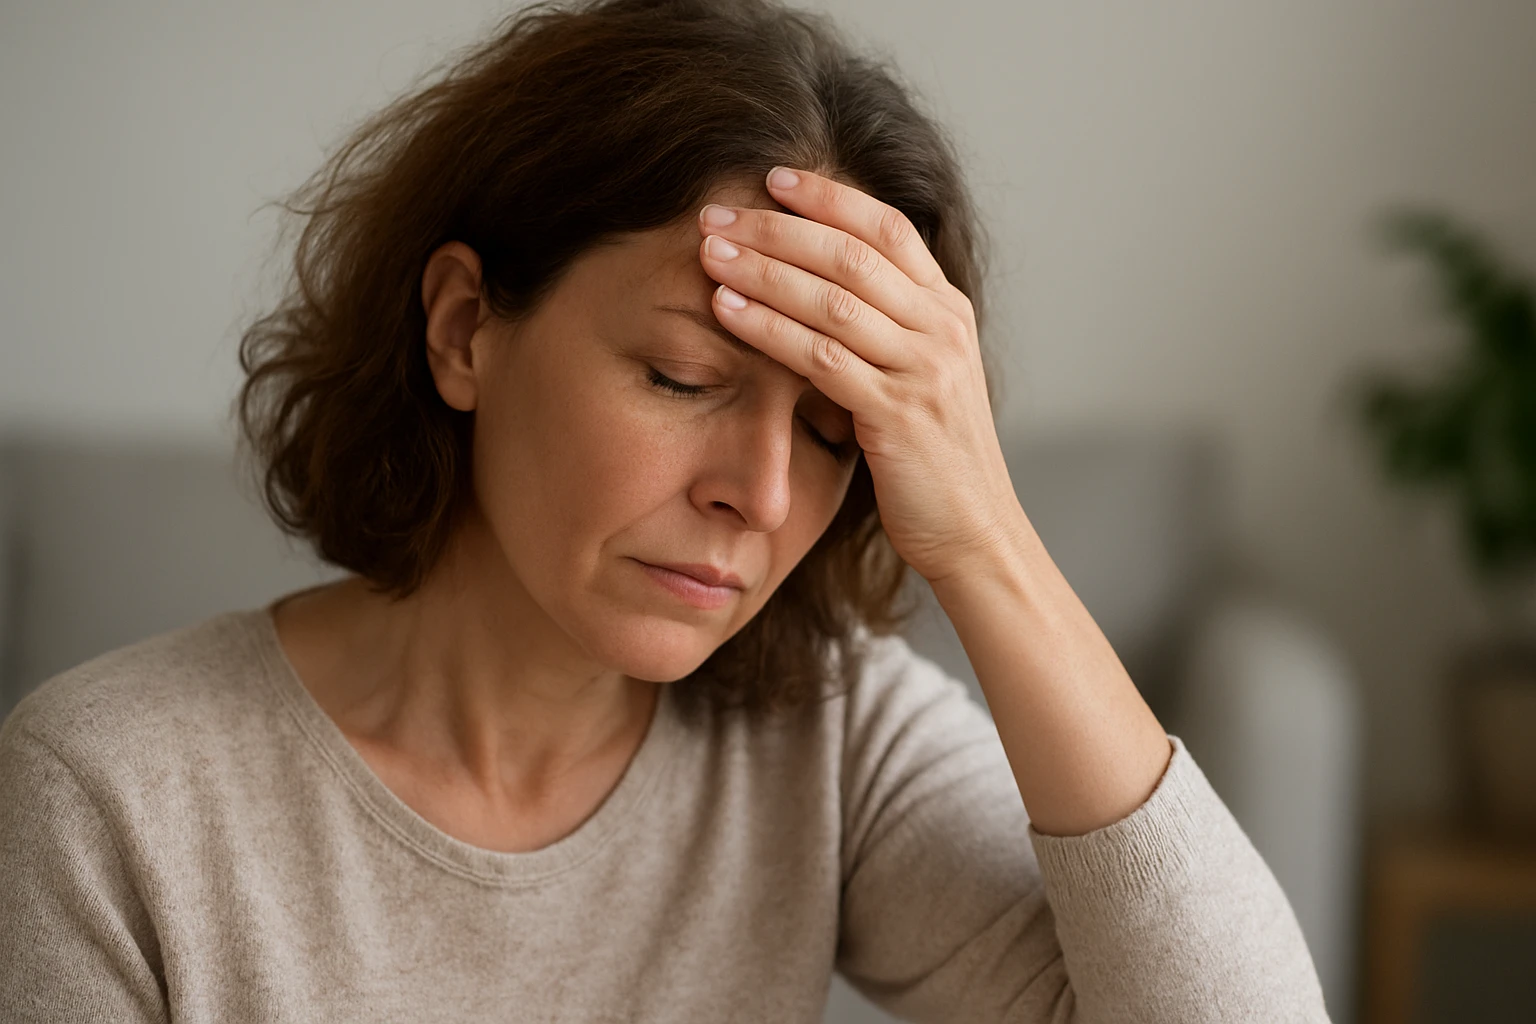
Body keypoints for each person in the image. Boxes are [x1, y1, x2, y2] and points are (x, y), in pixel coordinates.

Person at [0, 0, 1332, 1020]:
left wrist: (981, 528)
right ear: (466, 329)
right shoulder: (110, 799)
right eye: (685, 376)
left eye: (832, 433)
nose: (758, 495)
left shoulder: (831, 745)